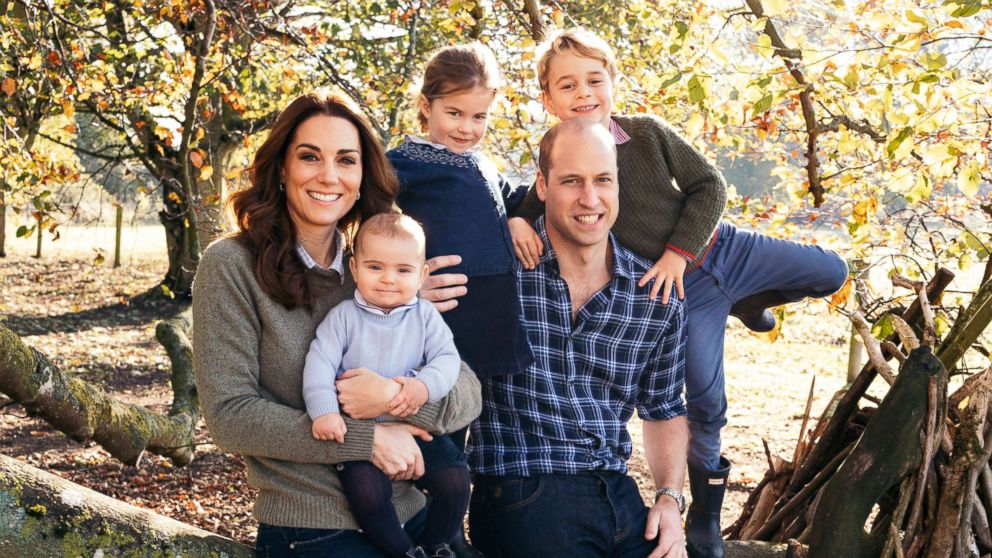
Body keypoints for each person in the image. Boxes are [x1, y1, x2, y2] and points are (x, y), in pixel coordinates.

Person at [507, 29, 849, 558]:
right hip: (683, 295)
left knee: (831, 270)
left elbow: (709, 184)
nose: (584, 93)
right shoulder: (565, 160)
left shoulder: (647, 133)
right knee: (704, 400)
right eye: (567, 85)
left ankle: (752, 300)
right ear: (548, 100)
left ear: (613, 83)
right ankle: (705, 521)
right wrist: (515, 222)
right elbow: (534, 203)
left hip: (723, 250)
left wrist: (677, 251)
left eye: (595, 80)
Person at [191, 90, 481, 558]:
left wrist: (395, 399)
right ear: (282, 167)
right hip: (313, 526)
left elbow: (467, 391)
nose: (329, 176)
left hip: (413, 513)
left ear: (362, 174)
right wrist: (367, 441)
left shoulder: (376, 267)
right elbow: (230, 416)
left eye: (346, 160)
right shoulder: (231, 266)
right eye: (310, 156)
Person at [465, 119, 691, 558]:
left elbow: (664, 408)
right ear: (543, 186)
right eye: (572, 181)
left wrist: (669, 498)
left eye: (603, 180)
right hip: (524, 487)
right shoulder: (497, 276)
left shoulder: (653, 297)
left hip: (618, 497)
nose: (591, 199)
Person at [303, 213, 469, 558]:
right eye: (375, 267)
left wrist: (422, 388)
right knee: (367, 493)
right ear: (354, 267)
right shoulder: (343, 317)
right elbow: (319, 364)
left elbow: (447, 360)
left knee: (454, 480)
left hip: (413, 429)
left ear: (422, 274)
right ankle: (404, 552)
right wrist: (324, 412)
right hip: (360, 435)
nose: (388, 280)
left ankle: (437, 544)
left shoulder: (425, 316)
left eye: (403, 270)